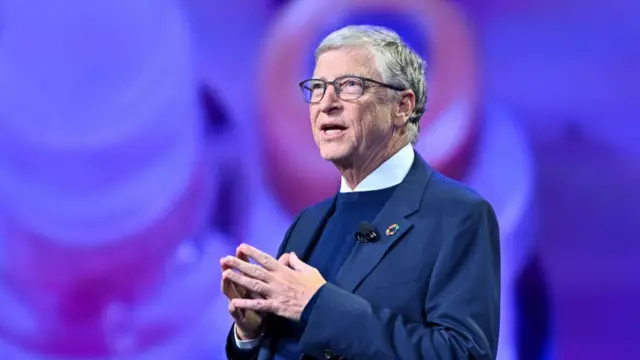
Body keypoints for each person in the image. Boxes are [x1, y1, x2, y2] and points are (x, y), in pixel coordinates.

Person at [220, 25, 501, 360]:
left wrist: (317, 304)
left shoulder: (459, 216)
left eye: (349, 86)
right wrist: (251, 335)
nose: (326, 104)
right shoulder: (308, 223)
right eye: (318, 88)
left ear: (402, 106)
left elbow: (462, 354)